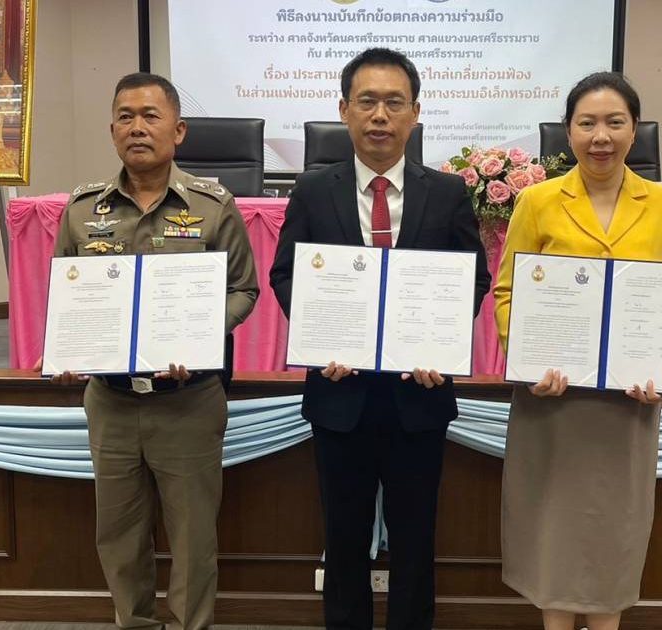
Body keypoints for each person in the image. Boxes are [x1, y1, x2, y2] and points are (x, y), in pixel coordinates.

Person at [269, 47, 491, 630]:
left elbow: (473, 277)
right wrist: (320, 339)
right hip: (339, 397)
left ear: (415, 113)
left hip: (420, 397)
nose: (380, 116)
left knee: (416, 540)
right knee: (343, 540)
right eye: (366, 101)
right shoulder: (312, 190)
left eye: (394, 103)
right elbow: (286, 274)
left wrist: (440, 345)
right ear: (344, 110)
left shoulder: (447, 192)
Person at [45, 72, 259, 630]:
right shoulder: (82, 209)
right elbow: (66, 292)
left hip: (187, 402)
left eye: (150, 116)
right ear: (112, 130)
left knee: (192, 541)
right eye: (125, 116)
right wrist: (67, 349)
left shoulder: (213, 206)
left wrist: (201, 337)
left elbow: (244, 289)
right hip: (111, 403)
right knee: (118, 537)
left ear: (178, 130)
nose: (137, 127)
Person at [492, 72, 662, 630]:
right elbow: (508, 292)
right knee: (553, 531)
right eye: (587, 123)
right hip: (553, 401)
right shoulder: (536, 201)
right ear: (568, 132)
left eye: (614, 122)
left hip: (628, 405)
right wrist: (526, 362)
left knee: (614, 531)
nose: (600, 136)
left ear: (635, 130)